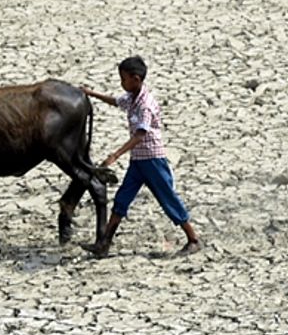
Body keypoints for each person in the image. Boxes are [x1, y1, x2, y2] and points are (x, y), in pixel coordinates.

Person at [81, 55, 202, 257]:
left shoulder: (145, 104)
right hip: (138, 161)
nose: (122, 83)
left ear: (136, 79)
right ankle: (104, 244)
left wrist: (115, 154)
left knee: (167, 198)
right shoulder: (132, 98)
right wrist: (90, 93)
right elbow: (115, 101)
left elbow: (140, 134)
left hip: (152, 160)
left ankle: (193, 238)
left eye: (124, 79)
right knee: (122, 199)